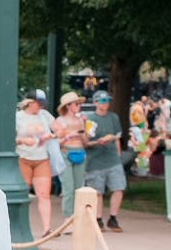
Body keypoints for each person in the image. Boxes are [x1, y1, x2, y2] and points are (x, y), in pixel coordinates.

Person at [82, 92, 125, 232]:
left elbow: (117, 137)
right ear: (95, 102)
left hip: (113, 158)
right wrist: (97, 142)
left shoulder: (114, 117)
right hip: (95, 160)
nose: (105, 103)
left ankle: (113, 218)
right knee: (97, 192)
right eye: (102, 100)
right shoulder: (90, 119)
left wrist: (118, 155)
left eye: (107, 100)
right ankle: (98, 219)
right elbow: (86, 142)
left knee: (118, 187)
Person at [15, 98, 55, 237]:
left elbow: (59, 129)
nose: (41, 106)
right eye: (39, 103)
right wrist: (22, 140)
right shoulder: (18, 116)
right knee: (23, 194)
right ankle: (20, 227)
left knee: (44, 194)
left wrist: (53, 135)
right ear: (29, 102)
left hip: (41, 157)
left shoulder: (44, 115)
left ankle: (47, 228)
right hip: (23, 157)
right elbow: (9, 138)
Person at [53, 92, 89, 220]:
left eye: (79, 103)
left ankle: (78, 217)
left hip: (80, 152)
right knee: (68, 188)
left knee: (79, 188)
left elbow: (86, 142)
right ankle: (68, 218)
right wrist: (69, 136)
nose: (79, 106)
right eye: (76, 103)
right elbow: (56, 142)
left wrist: (83, 132)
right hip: (66, 152)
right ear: (68, 106)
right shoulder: (60, 121)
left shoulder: (81, 120)